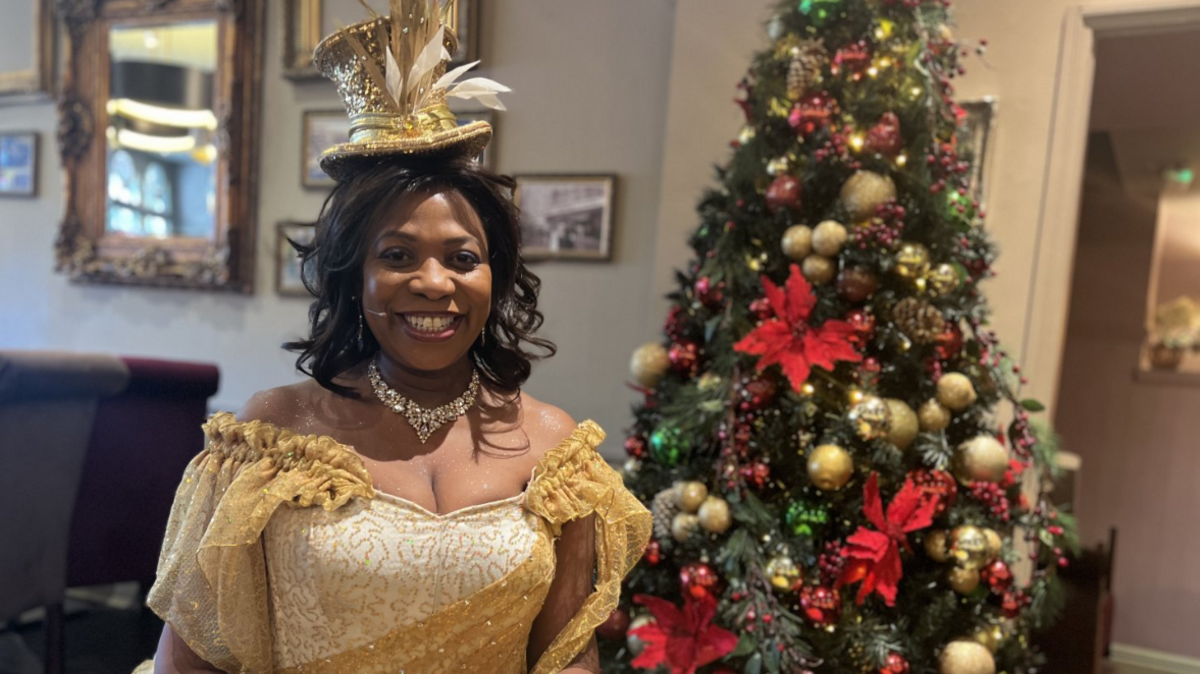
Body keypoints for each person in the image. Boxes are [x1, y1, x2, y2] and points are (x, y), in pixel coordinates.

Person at [134, 3, 651, 672]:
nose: (434, 283)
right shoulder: (270, 441)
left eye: (462, 258)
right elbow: (193, 658)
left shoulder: (560, 455)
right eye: (399, 256)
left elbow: (567, 659)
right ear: (354, 278)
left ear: (495, 277)